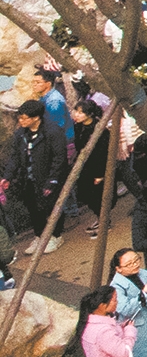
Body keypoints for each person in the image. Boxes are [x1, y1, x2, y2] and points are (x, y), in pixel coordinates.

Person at [7, 98, 68, 253]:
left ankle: (56, 235)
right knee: (33, 208)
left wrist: (52, 180)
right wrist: (7, 176)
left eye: (24, 118)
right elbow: (15, 156)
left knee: (52, 206)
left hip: (47, 177)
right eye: (19, 117)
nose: (20, 121)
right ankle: (39, 235)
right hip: (28, 178)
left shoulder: (53, 132)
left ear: (36, 118)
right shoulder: (20, 134)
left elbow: (59, 158)